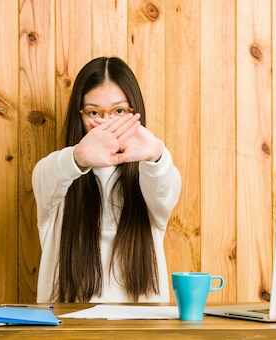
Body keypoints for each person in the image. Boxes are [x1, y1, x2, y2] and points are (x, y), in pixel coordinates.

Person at [32, 57, 181, 303]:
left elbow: (164, 185)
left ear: (135, 113)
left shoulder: (152, 175)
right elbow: (48, 174)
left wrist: (155, 153)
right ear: (79, 117)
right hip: (68, 331)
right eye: (93, 113)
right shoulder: (56, 174)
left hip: (142, 330)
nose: (107, 123)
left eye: (119, 111)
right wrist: (79, 156)